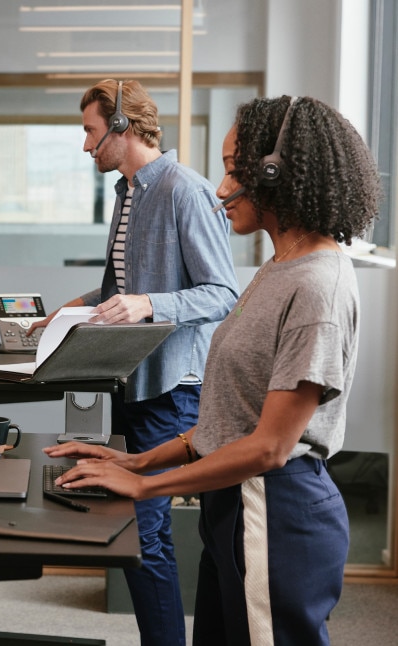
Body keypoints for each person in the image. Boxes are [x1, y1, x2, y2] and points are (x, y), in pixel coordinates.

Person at [43, 95, 382, 646]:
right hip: (234, 505)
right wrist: (140, 460)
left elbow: (268, 447)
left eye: (233, 171)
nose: (221, 189)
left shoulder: (317, 285)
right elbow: (233, 421)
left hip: (275, 510)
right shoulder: (279, 268)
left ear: (276, 173)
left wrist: (144, 486)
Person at [29, 79, 239, 646]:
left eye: (90, 132)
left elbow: (224, 293)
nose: (85, 145)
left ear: (122, 126)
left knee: (146, 537)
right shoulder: (128, 193)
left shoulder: (183, 191)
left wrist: (150, 303)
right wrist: (61, 314)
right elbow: (114, 291)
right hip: (132, 380)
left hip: (173, 389)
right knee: (131, 530)